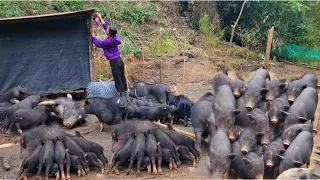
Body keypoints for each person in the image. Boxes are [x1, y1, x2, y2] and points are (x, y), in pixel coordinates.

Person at [90, 12, 128, 97]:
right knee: (122, 76)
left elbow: (98, 44)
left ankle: (122, 96)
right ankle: (126, 92)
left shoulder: (108, 42)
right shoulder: (115, 37)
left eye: (107, 30)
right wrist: (100, 18)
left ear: (108, 33)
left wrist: (93, 36)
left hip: (114, 62)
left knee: (117, 78)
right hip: (120, 60)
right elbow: (106, 26)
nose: (106, 29)